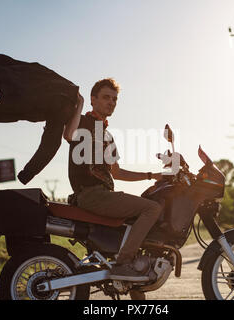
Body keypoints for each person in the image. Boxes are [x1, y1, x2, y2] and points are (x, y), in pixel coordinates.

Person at [64, 78, 163, 280]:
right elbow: (68, 134)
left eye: (115, 99)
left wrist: (152, 176)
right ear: (94, 99)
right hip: (92, 194)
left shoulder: (107, 135)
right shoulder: (83, 122)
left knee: (145, 207)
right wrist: (80, 105)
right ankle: (124, 262)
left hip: (104, 194)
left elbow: (117, 173)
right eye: (106, 97)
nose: (111, 102)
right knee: (152, 208)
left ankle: (135, 281)